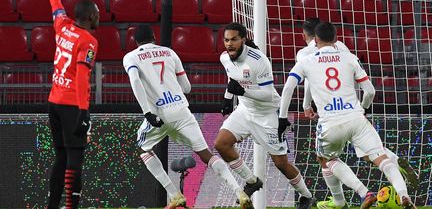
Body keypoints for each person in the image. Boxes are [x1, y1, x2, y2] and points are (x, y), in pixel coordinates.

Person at [279, 22, 416, 209]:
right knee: (381, 158)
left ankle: (362, 193)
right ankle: (404, 196)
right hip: (356, 118)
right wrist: (364, 108)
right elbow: (370, 91)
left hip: (330, 122)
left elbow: (288, 88)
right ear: (336, 39)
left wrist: (283, 117)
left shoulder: (305, 59)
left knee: (326, 160)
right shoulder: (349, 57)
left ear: (315, 40)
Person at [123, 25, 253, 209]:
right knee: (206, 155)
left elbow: (135, 80)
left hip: (159, 114)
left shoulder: (131, 57)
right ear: (154, 36)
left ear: (135, 42)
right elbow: (187, 88)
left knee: (144, 150)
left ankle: (174, 195)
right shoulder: (169, 52)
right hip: (182, 110)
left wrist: (147, 111)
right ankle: (239, 192)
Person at [215, 22, 315, 209]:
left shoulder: (258, 60)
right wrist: (227, 99)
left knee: (281, 164)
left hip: (268, 113)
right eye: (226, 40)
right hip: (245, 111)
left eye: (234, 40)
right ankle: (252, 181)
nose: (229, 44)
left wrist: (243, 92)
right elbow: (232, 78)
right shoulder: (225, 58)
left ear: (243, 39)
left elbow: (267, 94)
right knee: (221, 143)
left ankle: (306, 196)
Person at [42, 0, 100, 208]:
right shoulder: (88, 41)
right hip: (71, 106)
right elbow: (81, 78)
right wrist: (84, 112)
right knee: (75, 159)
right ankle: (71, 206)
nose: (99, 16)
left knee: (61, 158)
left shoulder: (62, 26)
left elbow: (55, 5)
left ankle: (52, 205)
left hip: (53, 102)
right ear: (88, 17)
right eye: (97, 13)